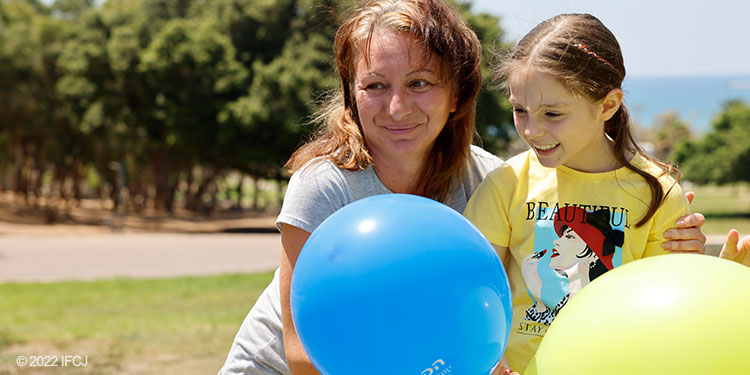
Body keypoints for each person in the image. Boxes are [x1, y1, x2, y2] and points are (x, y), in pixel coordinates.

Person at [219, 3, 708, 375]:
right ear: (351, 95)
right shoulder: (323, 184)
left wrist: (683, 258)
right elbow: (303, 355)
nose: (396, 107)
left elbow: (515, 300)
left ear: (457, 94)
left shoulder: (491, 179)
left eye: (419, 83)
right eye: (374, 86)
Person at [462, 13, 750, 375]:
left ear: (608, 105)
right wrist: (488, 358)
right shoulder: (506, 184)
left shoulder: (658, 193)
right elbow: (475, 289)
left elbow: (669, 311)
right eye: (520, 110)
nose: (532, 130)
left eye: (552, 113)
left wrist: (715, 278)